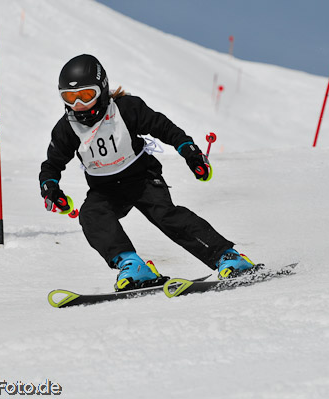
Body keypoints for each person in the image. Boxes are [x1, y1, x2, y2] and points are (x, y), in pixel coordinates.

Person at [39, 54, 254, 291]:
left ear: (102, 89)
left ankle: (228, 257)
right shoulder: (66, 128)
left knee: (165, 215)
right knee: (91, 215)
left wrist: (191, 153)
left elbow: (164, 128)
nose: (78, 105)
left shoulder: (125, 109)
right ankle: (132, 265)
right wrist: (50, 189)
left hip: (142, 178)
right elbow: (51, 165)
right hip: (105, 188)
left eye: (86, 95)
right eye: (70, 97)